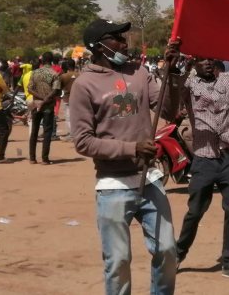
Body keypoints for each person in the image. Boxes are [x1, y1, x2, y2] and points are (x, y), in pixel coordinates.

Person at [70, 19, 178, 295]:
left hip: (150, 179)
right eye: (116, 37)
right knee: (118, 261)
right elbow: (83, 142)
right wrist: (131, 149)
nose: (123, 42)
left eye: (123, 36)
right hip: (113, 186)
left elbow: (168, 109)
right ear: (98, 46)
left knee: (167, 251)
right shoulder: (84, 85)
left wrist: (172, 74)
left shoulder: (139, 72)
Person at [173, 48, 229, 281]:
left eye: (211, 59)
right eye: (202, 59)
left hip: (228, 158)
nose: (208, 63)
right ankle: (178, 254)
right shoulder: (189, 86)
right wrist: (175, 63)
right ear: (195, 63)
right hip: (203, 159)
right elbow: (173, 88)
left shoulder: (228, 79)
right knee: (196, 211)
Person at [28, 52, 61, 165]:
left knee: (34, 131)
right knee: (47, 132)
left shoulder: (34, 73)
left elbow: (29, 89)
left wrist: (40, 98)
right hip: (48, 106)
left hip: (36, 105)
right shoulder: (54, 73)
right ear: (51, 60)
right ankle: (45, 159)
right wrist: (45, 99)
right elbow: (56, 90)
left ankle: (32, 158)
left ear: (42, 61)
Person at [59, 58, 78, 140]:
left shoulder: (64, 76)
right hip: (78, 99)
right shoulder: (80, 75)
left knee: (69, 118)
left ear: (67, 66)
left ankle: (72, 134)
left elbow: (59, 87)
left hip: (67, 99)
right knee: (78, 117)